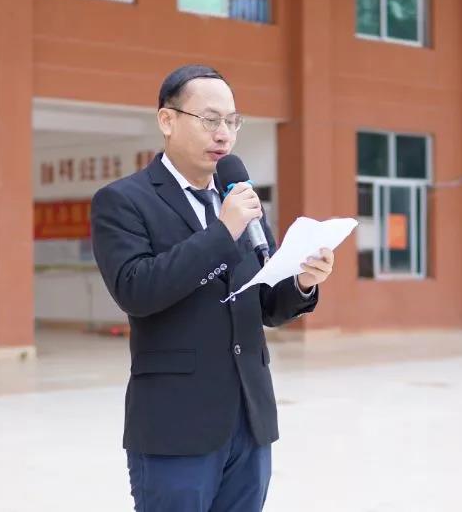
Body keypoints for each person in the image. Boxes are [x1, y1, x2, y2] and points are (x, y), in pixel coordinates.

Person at [90, 64, 336, 512]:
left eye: (232, 121)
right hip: (176, 426)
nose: (223, 134)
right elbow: (135, 290)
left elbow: (266, 304)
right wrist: (223, 233)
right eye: (209, 120)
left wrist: (302, 282)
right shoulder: (124, 201)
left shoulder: (238, 200)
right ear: (167, 120)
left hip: (250, 420)